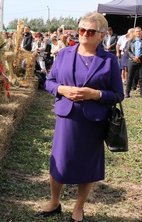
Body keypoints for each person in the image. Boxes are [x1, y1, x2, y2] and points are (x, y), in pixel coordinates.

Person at [40, 12, 124, 222]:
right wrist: (62, 89)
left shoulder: (109, 60)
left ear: (102, 35)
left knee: (88, 164)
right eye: (81, 30)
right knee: (59, 160)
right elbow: (49, 82)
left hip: (94, 121)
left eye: (90, 31)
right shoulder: (64, 54)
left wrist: (95, 94)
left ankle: (79, 207)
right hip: (67, 118)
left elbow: (118, 94)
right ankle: (54, 201)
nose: (85, 34)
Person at [124, 26, 142, 98]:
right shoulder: (130, 41)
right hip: (132, 61)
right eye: (137, 31)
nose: (138, 33)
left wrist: (139, 57)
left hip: (141, 61)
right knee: (130, 77)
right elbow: (128, 50)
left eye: (139, 31)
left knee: (141, 78)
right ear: (134, 32)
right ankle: (127, 93)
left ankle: (141, 93)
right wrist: (134, 57)